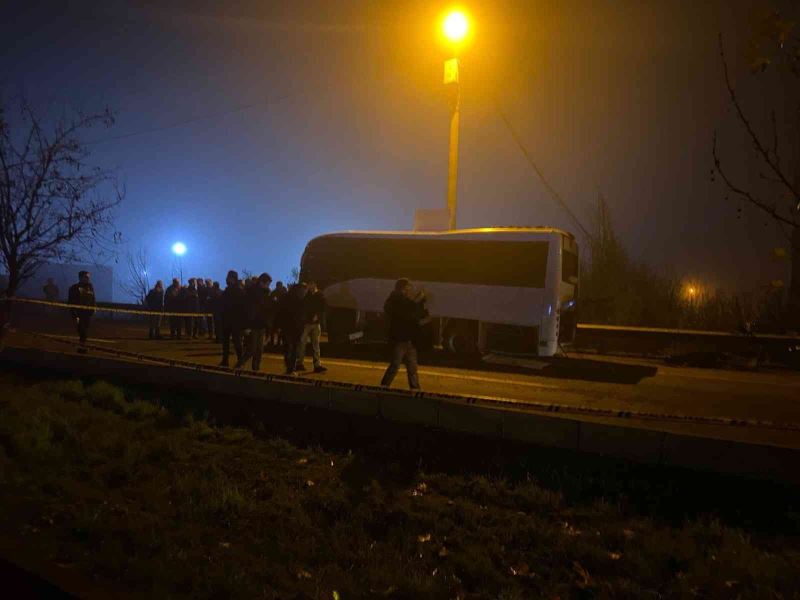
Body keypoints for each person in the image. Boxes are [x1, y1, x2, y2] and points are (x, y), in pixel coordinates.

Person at [380, 278, 427, 390]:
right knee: (395, 366)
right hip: (400, 340)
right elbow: (404, 312)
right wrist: (417, 301)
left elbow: (412, 314)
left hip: (409, 340)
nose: (408, 291)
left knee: (412, 369)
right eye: (406, 289)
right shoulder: (395, 301)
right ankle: (384, 387)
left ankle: (415, 389)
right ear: (400, 289)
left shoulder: (402, 301)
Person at [236, 272, 273, 371]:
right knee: (252, 348)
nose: (268, 286)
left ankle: (256, 368)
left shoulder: (266, 293)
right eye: (268, 283)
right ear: (262, 282)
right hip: (253, 324)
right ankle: (240, 364)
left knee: (259, 349)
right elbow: (248, 310)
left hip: (261, 324)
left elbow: (267, 309)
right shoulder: (252, 292)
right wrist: (247, 326)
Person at [275, 282, 307, 374]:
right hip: (290, 327)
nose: (304, 293)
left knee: (291, 348)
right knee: (291, 348)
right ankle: (290, 367)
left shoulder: (289, 297)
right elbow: (281, 312)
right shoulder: (297, 299)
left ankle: (290, 367)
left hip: (292, 327)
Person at [296, 281, 327, 373]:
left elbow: (323, 308)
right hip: (307, 323)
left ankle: (317, 365)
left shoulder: (320, 295)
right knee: (302, 344)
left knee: (315, 345)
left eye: (311, 284)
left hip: (315, 323)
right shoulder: (307, 295)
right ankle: (299, 363)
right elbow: (303, 307)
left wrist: (317, 315)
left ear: (314, 284)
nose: (309, 287)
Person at [219, 270, 246, 367]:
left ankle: (240, 360)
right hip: (228, 320)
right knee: (227, 341)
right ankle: (226, 360)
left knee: (236, 341)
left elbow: (241, 307)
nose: (226, 279)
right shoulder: (229, 290)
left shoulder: (237, 290)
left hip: (234, 320)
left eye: (228, 277)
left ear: (232, 278)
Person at [67, 270, 96, 354]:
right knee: (82, 331)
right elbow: (71, 302)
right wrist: (74, 314)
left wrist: (93, 308)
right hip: (78, 313)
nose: (87, 279)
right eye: (86, 277)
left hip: (87, 313)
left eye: (88, 277)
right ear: (81, 277)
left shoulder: (90, 287)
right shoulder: (73, 288)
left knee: (85, 330)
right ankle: (81, 348)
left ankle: (81, 346)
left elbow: (93, 298)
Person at [269, 281, 287, 347]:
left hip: (279, 314)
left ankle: (277, 342)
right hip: (275, 314)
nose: (279, 287)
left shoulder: (283, 293)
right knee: (274, 329)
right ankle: (273, 342)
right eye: (278, 286)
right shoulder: (274, 293)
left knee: (278, 329)